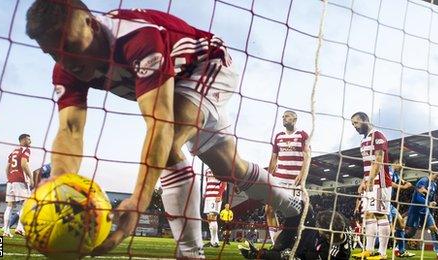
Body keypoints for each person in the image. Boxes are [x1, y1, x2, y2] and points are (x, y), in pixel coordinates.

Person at [25, 1, 305, 257]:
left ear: (92, 24)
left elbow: (159, 126)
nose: (68, 62)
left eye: (72, 47)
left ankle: (190, 254)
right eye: (54, 54)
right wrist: (59, 188)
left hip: (207, 65)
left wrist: (138, 201)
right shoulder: (65, 68)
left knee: (168, 142)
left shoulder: (136, 39)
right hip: (176, 86)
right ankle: (295, 207)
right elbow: (70, 130)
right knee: (229, 169)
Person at [350, 112, 392, 260]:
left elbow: (379, 160)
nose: (354, 127)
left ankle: (382, 253)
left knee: (381, 214)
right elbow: (368, 164)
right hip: (369, 183)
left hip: (380, 183)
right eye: (353, 124)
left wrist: (371, 180)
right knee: (368, 215)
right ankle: (368, 250)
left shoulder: (378, 135)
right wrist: (364, 181)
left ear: (364, 120)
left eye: (356, 123)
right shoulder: (363, 141)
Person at [266, 110, 311, 245]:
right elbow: (274, 158)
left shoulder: (302, 135)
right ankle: (276, 243)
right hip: (279, 178)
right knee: (268, 209)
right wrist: (269, 175)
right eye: (283, 117)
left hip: (294, 181)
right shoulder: (278, 136)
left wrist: (302, 175)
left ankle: (294, 243)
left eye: (287, 116)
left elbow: (307, 157)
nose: (284, 118)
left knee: (295, 214)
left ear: (295, 119)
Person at [238, 210, 350, 260]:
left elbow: (293, 257)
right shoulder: (336, 223)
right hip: (307, 243)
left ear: (327, 235)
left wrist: (260, 254)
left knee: (288, 255)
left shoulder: (333, 253)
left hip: (309, 251)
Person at [404, 171, 438, 259]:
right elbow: (417, 197)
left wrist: (431, 206)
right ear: (431, 173)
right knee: (411, 233)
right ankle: (399, 247)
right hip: (416, 210)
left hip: (426, 210)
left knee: (433, 229)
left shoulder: (434, 185)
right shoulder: (423, 181)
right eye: (437, 175)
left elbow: (432, 198)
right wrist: (428, 203)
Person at [3, 134, 33, 237]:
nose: (30, 141)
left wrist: (10, 178)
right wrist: (31, 177)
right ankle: (19, 227)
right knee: (26, 204)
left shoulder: (13, 152)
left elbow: (7, 168)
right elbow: (24, 164)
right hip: (20, 181)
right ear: (23, 140)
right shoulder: (26, 150)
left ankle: (6, 231)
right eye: (28, 139)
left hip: (10, 181)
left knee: (9, 206)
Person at [389, 159, 415, 258]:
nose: (402, 167)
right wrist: (403, 187)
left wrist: (410, 185)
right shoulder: (389, 170)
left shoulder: (396, 174)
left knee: (401, 224)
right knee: (387, 228)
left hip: (390, 204)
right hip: (382, 202)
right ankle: (375, 249)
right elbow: (389, 183)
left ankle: (401, 251)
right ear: (395, 163)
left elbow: (404, 181)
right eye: (401, 165)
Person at [203, 169, 226, 248]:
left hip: (215, 196)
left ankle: (215, 242)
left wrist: (219, 194)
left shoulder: (218, 167)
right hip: (208, 197)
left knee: (213, 217)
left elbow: (224, 182)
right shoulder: (206, 170)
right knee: (209, 219)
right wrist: (205, 193)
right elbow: (207, 182)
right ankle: (213, 241)